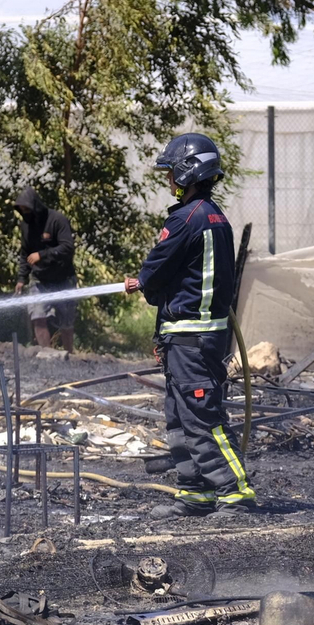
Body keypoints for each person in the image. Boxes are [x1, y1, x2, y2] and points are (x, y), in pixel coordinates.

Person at [124, 133, 257, 519]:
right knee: (180, 418)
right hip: (192, 337)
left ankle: (235, 492)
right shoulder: (215, 216)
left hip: (190, 338)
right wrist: (160, 334)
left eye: (171, 173)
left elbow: (155, 275)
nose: (169, 181)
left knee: (202, 419)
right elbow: (187, 279)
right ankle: (195, 492)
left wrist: (143, 282)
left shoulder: (184, 220)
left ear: (187, 172)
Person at [14, 186, 77, 353]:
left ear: (36, 206)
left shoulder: (57, 220)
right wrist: (21, 278)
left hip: (63, 278)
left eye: (27, 209)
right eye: (22, 210)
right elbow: (25, 253)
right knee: (38, 316)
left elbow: (67, 247)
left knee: (66, 322)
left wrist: (42, 255)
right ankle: (48, 357)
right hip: (39, 280)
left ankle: (69, 357)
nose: (25, 213)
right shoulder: (26, 226)